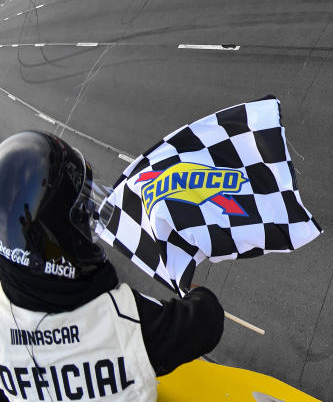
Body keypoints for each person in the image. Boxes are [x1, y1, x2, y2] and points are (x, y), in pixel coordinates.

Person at [0, 131, 224, 401]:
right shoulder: (121, 319)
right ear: (57, 234)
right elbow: (205, 322)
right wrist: (197, 294)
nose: (90, 217)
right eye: (82, 210)